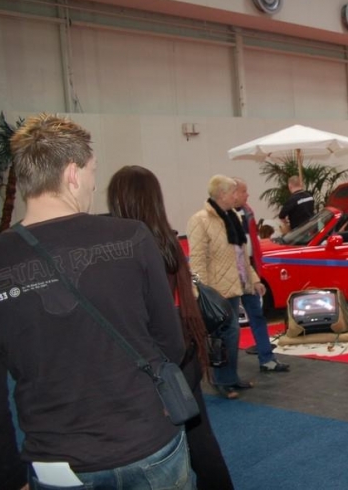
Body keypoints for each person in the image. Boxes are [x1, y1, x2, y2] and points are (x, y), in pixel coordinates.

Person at [0, 114, 194, 489]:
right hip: (148, 440)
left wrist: (9, 478)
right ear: (72, 173)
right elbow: (171, 341)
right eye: (92, 171)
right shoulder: (132, 237)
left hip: (57, 460)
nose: (93, 183)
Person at [107, 165, 234, 490]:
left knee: (162, 451)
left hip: (157, 360)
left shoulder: (125, 252)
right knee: (200, 439)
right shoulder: (168, 242)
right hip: (184, 351)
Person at [187, 175, 266, 399]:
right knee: (222, 336)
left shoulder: (233, 217)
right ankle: (221, 380)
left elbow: (241, 256)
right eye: (233, 192)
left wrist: (254, 280)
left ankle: (230, 378)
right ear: (222, 194)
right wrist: (200, 291)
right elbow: (197, 260)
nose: (236, 196)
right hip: (215, 291)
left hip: (233, 288)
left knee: (230, 334)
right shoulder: (200, 220)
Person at [232, 177, 290, 372]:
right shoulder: (220, 217)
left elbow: (253, 243)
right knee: (230, 324)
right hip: (231, 274)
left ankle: (267, 359)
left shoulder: (247, 211)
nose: (247, 195)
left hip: (249, 270)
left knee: (257, 315)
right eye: (244, 191)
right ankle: (227, 368)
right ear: (233, 193)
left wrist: (257, 270)